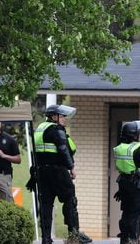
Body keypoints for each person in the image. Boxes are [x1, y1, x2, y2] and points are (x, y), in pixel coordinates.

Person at [32, 104, 92, 244]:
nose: (64, 119)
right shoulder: (57, 129)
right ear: (54, 117)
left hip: (42, 172)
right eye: (62, 116)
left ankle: (46, 239)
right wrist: (71, 167)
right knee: (70, 199)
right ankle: (74, 235)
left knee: (46, 204)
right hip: (57, 171)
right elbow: (64, 149)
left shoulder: (40, 129)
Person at [113, 120, 140, 244]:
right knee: (136, 213)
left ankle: (125, 240)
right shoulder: (138, 149)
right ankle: (133, 240)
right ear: (135, 135)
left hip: (123, 184)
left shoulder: (120, 148)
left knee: (126, 212)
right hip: (136, 185)